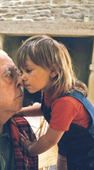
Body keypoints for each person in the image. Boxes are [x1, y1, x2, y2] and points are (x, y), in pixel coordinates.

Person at [16, 35, 94, 170]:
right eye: (21, 71)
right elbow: (45, 108)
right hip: (67, 147)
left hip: (85, 156)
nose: (22, 77)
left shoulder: (66, 102)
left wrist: (30, 148)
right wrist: (19, 112)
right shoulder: (49, 90)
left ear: (53, 70)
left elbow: (50, 140)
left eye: (28, 70)